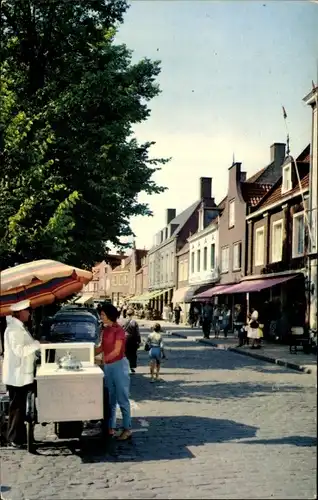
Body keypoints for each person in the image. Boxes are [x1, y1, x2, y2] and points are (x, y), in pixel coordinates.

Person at [2, 300, 42, 449]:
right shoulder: (14, 330)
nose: (30, 314)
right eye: (27, 311)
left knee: (21, 407)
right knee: (16, 408)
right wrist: (37, 344)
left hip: (22, 374)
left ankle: (20, 437)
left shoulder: (19, 328)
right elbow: (20, 351)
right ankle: (14, 438)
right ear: (20, 313)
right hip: (16, 375)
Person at [95, 302, 132, 440]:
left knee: (122, 398)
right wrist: (87, 354)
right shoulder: (105, 330)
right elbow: (101, 348)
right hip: (109, 367)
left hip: (119, 366)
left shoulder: (119, 331)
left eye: (103, 314)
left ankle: (127, 429)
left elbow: (117, 351)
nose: (101, 317)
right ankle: (110, 428)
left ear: (110, 315)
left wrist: (104, 360)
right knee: (110, 399)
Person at [123, 309, 141, 373]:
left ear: (126, 314)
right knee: (132, 354)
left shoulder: (123, 321)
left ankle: (126, 367)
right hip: (132, 339)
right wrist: (139, 341)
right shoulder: (134, 322)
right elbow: (137, 332)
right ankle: (131, 367)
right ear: (133, 314)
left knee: (125, 353)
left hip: (125, 339)